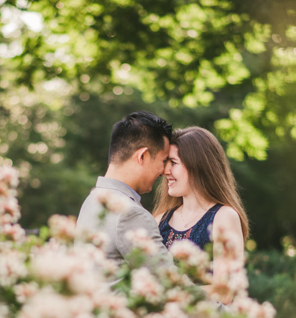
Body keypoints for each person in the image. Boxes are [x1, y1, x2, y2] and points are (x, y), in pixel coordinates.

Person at [76, 111, 174, 270]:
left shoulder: (92, 200)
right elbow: (170, 282)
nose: (163, 171)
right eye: (163, 161)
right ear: (142, 156)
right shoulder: (131, 213)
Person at [153, 126, 249, 282]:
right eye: (166, 162)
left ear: (197, 165)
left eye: (174, 163)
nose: (166, 171)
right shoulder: (159, 222)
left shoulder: (224, 217)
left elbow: (225, 292)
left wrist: (170, 295)